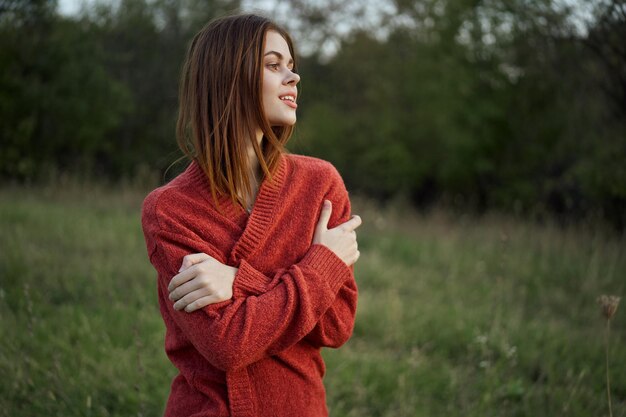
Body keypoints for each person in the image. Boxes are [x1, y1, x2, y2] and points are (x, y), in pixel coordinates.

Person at [141, 13, 361, 417]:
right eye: (273, 65)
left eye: (292, 67)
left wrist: (238, 281)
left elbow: (337, 324)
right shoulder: (170, 210)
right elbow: (228, 345)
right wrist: (320, 265)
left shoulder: (321, 185)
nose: (293, 78)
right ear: (228, 76)